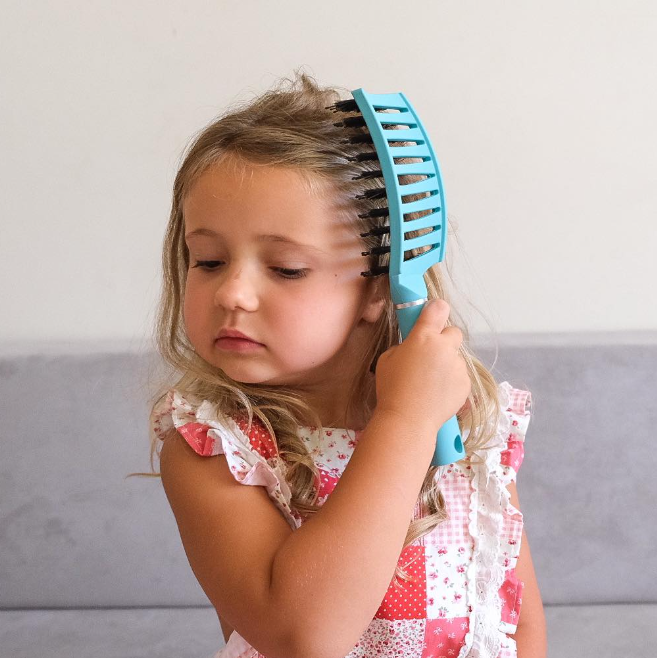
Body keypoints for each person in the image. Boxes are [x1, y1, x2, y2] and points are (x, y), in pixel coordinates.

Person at [147, 70, 547, 658]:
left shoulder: (465, 426)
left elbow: (515, 619)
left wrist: (420, 415)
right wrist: (405, 422)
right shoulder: (217, 446)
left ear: (382, 289)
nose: (232, 292)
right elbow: (304, 635)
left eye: (285, 268)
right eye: (207, 260)